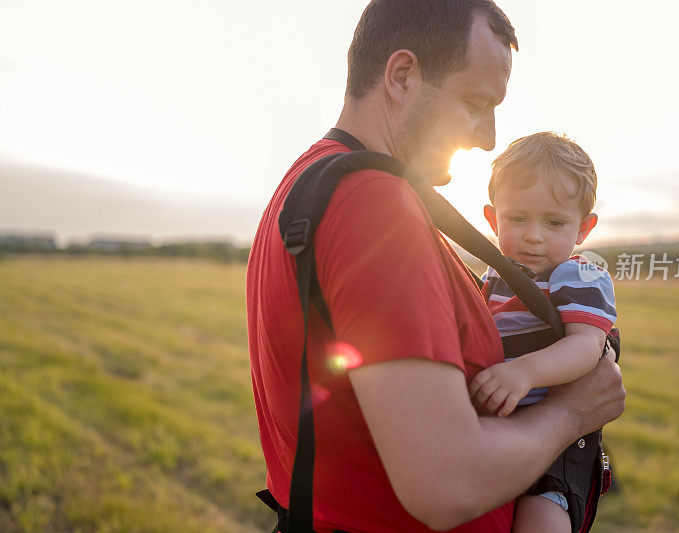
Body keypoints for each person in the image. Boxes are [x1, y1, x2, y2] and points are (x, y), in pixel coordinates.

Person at [246, 1, 625, 532]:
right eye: (476, 102)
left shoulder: (313, 178)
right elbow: (445, 483)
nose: (488, 137)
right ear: (401, 76)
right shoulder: (373, 203)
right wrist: (574, 413)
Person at [469, 132, 617, 532]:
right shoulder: (493, 278)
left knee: (540, 519)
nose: (534, 235)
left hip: (555, 441)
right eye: (517, 218)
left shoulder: (578, 274)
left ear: (583, 229)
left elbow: (587, 346)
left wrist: (524, 372)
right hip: (500, 431)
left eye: (554, 223)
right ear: (491, 218)